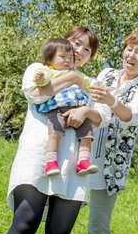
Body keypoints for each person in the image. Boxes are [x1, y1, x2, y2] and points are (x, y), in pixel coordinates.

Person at [48, 30, 138, 234]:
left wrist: (112, 101)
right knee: (60, 217)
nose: (132, 56)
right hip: (81, 153)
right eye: (130, 49)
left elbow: (131, 116)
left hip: (110, 166)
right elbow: (85, 99)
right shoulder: (106, 74)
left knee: (98, 227)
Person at [0, 26, 106, 234]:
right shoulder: (39, 69)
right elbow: (36, 94)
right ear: (63, 43)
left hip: (74, 164)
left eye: (87, 49)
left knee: (58, 232)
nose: (79, 51)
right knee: (26, 220)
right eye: (75, 43)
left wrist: (86, 110)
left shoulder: (91, 83)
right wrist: (72, 77)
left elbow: (103, 117)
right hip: (38, 154)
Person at [32, 37, 98, 177]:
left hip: (77, 108)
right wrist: (40, 78)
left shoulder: (77, 74)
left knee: (87, 134)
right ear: (50, 58)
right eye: (63, 57)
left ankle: (84, 161)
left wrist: (100, 87)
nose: (67, 60)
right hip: (57, 108)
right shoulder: (49, 71)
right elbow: (42, 82)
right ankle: (50, 162)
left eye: (70, 58)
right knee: (55, 133)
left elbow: (89, 83)